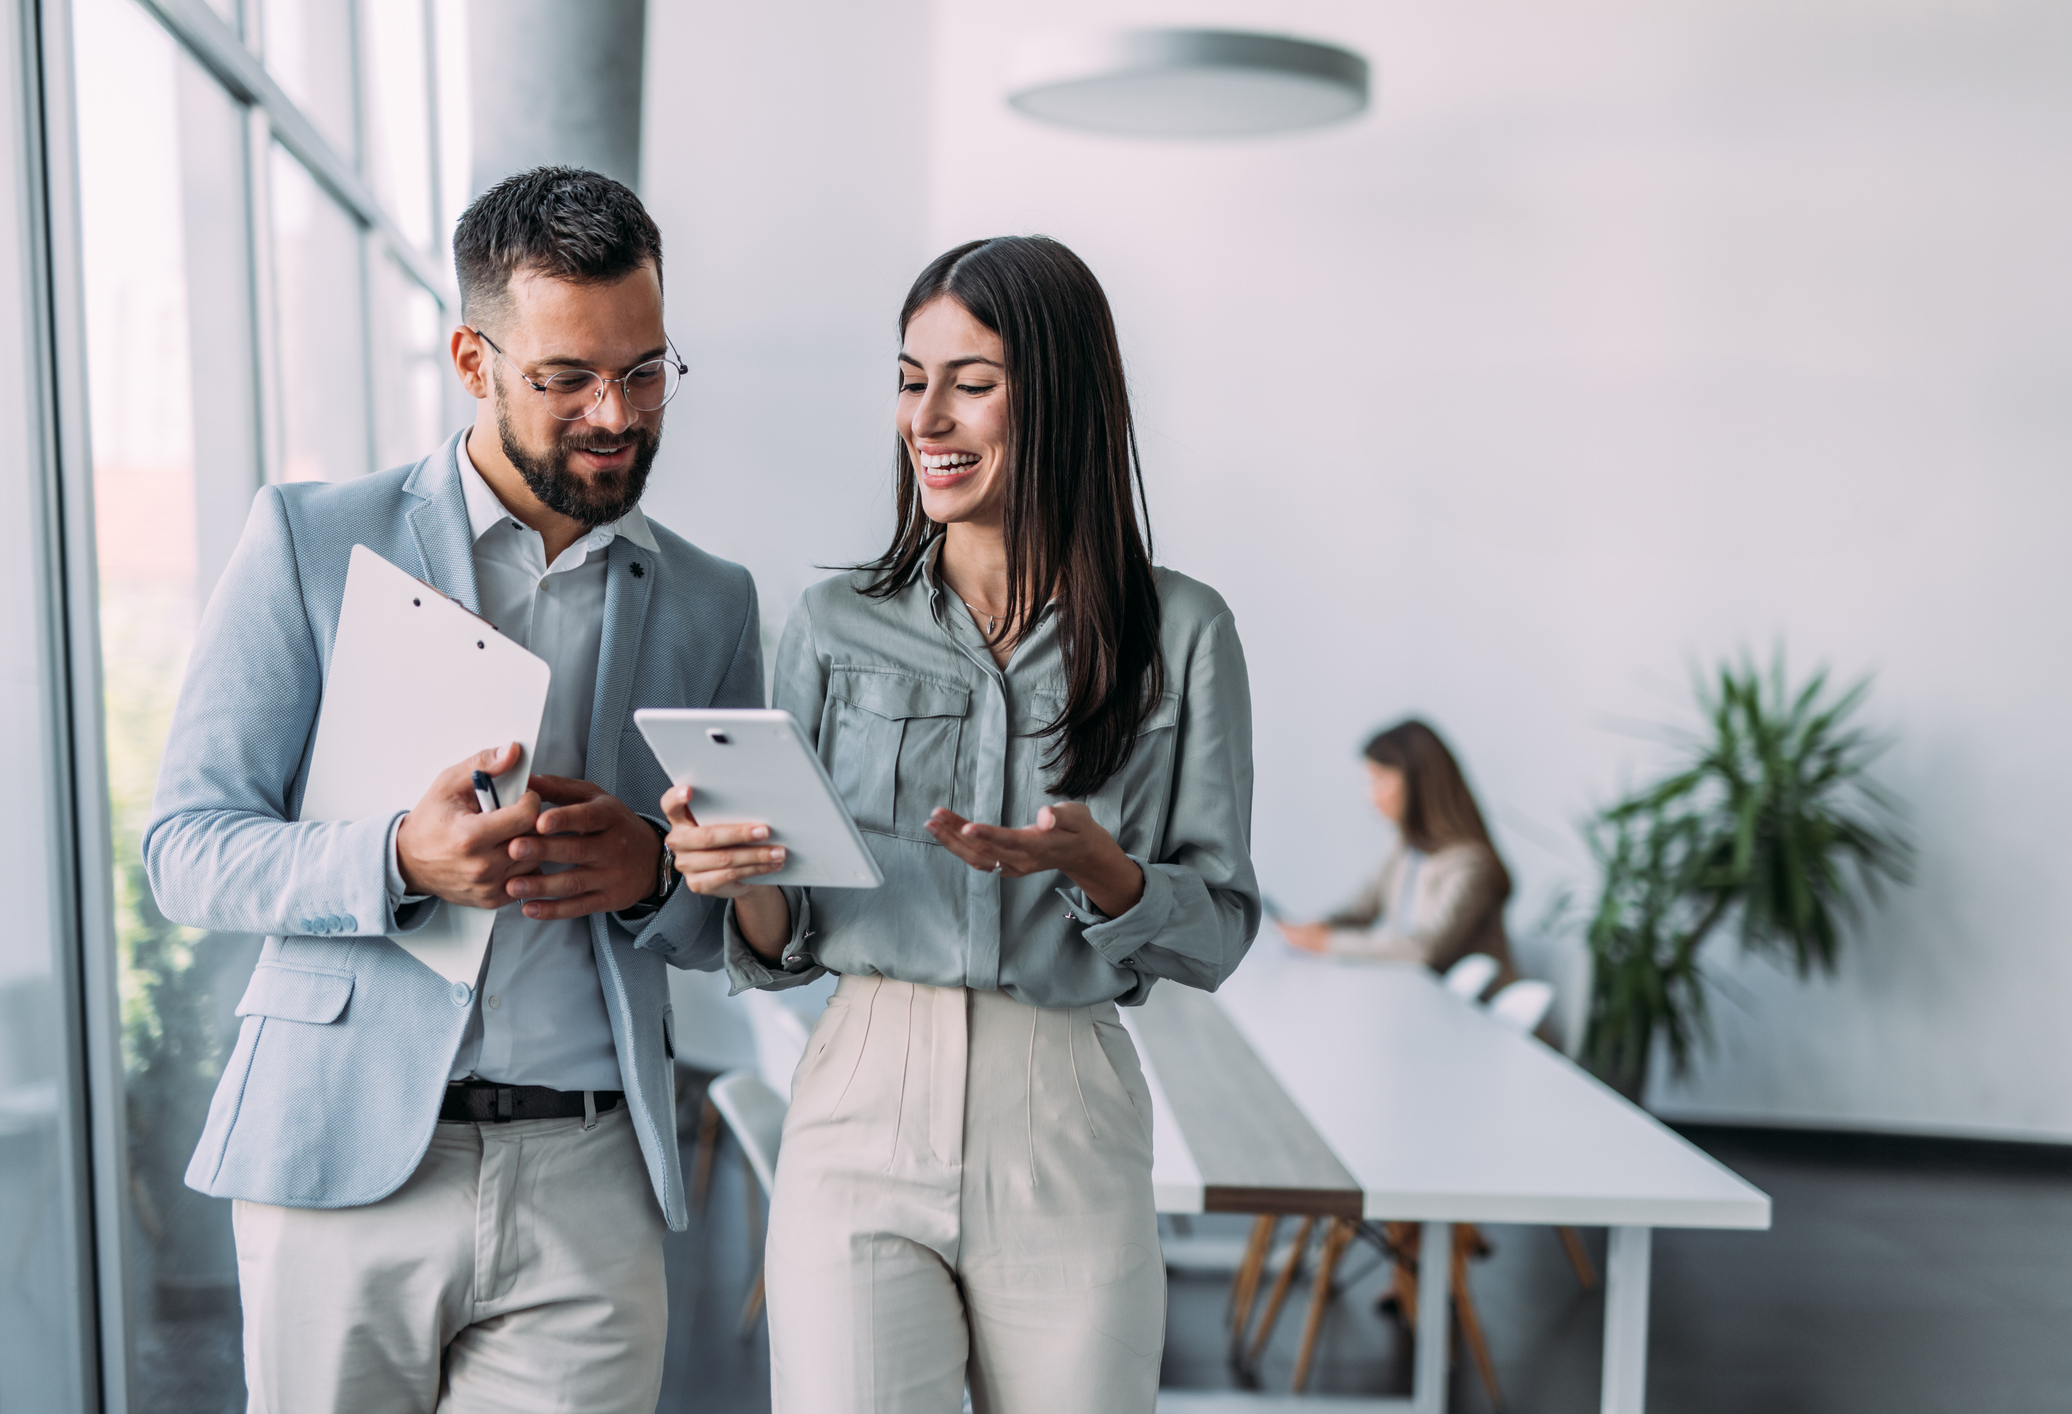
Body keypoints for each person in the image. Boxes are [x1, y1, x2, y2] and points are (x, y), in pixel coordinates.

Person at [143, 167, 762, 1413]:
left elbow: (735, 915)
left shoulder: (711, 599)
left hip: (591, 1179)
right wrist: (394, 858)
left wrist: (652, 873)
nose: (616, 413)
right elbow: (186, 849)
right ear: (473, 361)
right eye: (567, 378)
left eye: (645, 372)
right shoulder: (313, 540)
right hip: (344, 1160)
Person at [662, 236, 1259, 1414]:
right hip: (858, 1094)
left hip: (1065, 1109)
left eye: (970, 382)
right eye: (907, 377)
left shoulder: (1181, 632)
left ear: (1064, 398)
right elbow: (793, 935)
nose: (924, 415)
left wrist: (1109, 877)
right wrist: (735, 873)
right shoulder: (833, 623)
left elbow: (1221, 928)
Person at [1278, 719, 1515, 982]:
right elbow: (1361, 911)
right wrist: (1318, 928)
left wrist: (1327, 943)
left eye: (1379, 780)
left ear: (1417, 783)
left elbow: (1425, 950)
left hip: (1476, 1015)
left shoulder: (1471, 864)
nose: (1371, 796)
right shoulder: (1405, 849)